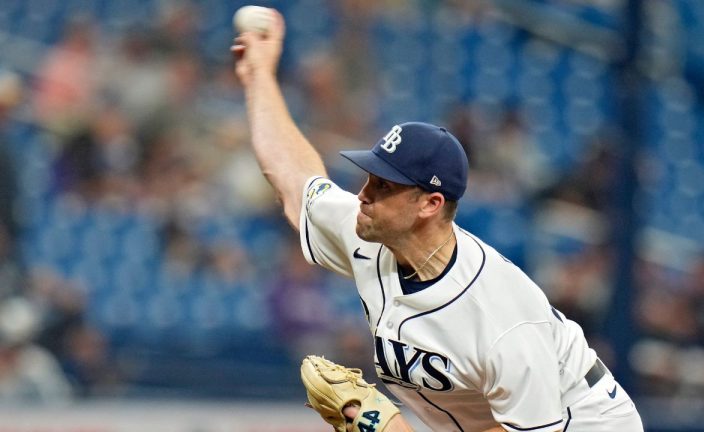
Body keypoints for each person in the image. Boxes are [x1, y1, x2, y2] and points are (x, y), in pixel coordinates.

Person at [232, 9, 644, 432]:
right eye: (370, 178)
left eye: (385, 187)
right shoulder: (368, 231)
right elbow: (293, 178)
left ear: (429, 204)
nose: (364, 195)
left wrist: (383, 424)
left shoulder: (501, 314)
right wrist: (258, 76)